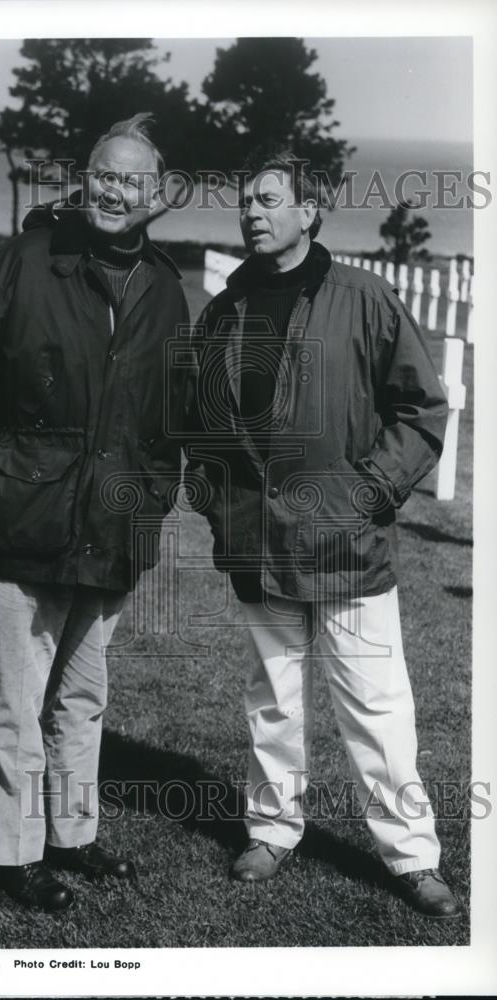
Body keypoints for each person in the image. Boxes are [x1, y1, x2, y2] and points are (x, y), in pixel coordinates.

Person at [186, 151, 460, 918]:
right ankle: (271, 829)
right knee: (271, 697)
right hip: (257, 542)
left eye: (268, 199)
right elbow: (201, 424)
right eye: (244, 199)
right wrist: (217, 506)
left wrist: (367, 491)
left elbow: (419, 409)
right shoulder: (224, 308)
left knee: (374, 702)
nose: (251, 211)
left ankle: (411, 857)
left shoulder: (364, 298)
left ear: (309, 212)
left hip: (345, 543)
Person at [0, 114, 190, 911]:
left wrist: (151, 501)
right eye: (104, 175)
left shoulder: (162, 285)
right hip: (28, 507)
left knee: (82, 694)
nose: (115, 191)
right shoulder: (23, 263)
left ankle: (73, 836)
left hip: (114, 521)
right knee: (18, 694)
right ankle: (14, 855)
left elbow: (167, 413)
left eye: (132, 181)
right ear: (85, 180)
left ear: (159, 196)